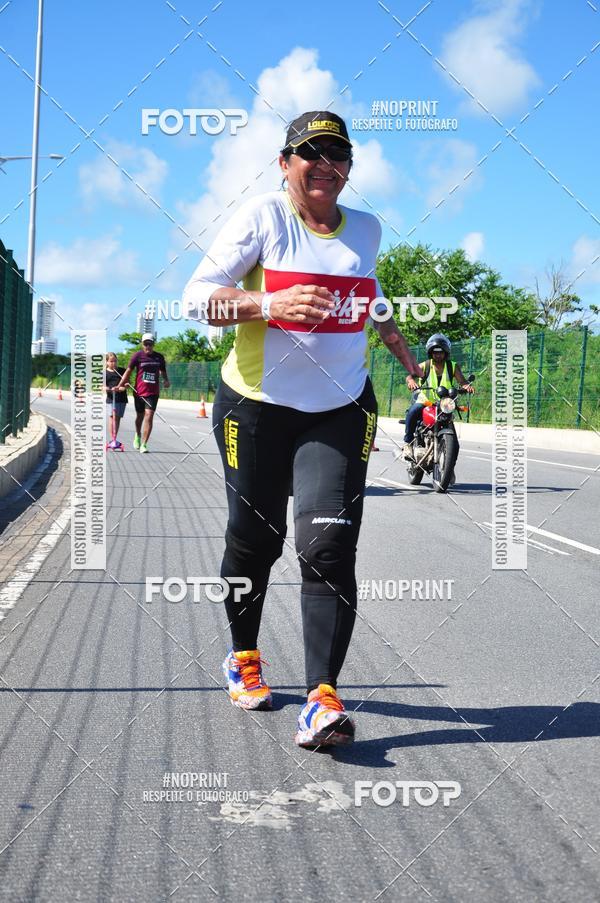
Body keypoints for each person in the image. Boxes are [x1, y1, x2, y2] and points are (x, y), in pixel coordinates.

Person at [183, 110, 421, 749]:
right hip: (255, 406)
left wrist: (405, 355)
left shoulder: (366, 229)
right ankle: (244, 654)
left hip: (341, 407)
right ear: (284, 163)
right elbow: (196, 298)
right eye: (309, 153)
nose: (324, 165)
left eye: (336, 153)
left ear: (349, 167)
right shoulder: (264, 218)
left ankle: (321, 697)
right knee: (253, 542)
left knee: (327, 546)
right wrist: (266, 304)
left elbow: (370, 296)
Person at [403, 332, 474, 460]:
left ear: (446, 352)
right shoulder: (426, 365)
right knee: (413, 412)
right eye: (435, 352)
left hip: (445, 403)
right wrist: (411, 381)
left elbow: (462, 381)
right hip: (426, 401)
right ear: (431, 353)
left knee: (455, 444)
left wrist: (466, 386)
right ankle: (407, 444)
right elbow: (410, 375)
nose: (438, 355)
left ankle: (449, 468)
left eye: (441, 352)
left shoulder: (452, 366)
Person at [116, 334, 170, 453]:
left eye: (150, 344)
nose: (148, 346)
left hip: (153, 392)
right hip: (139, 392)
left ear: (153, 344)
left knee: (149, 415)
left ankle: (144, 444)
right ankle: (137, 434)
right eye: (146, 344)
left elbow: (163, 371)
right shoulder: (137, 356)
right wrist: (120, 385)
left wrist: (166, 380)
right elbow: (128, 372)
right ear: (142, 344)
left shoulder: (159, 357)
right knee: (140, 416)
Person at [104, 352, 128, 441]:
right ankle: (112, 438)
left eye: (115, 361)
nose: (113, 363)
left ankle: (115, 438)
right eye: (111, 361)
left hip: (121, 398)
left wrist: (122, 388)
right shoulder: (104, 373)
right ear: (107, 362)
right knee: (112, 417)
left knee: (117, 418)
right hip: (111, 398)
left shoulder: (122, 371)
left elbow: (127, 384)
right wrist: (106, 388)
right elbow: (100, 385)